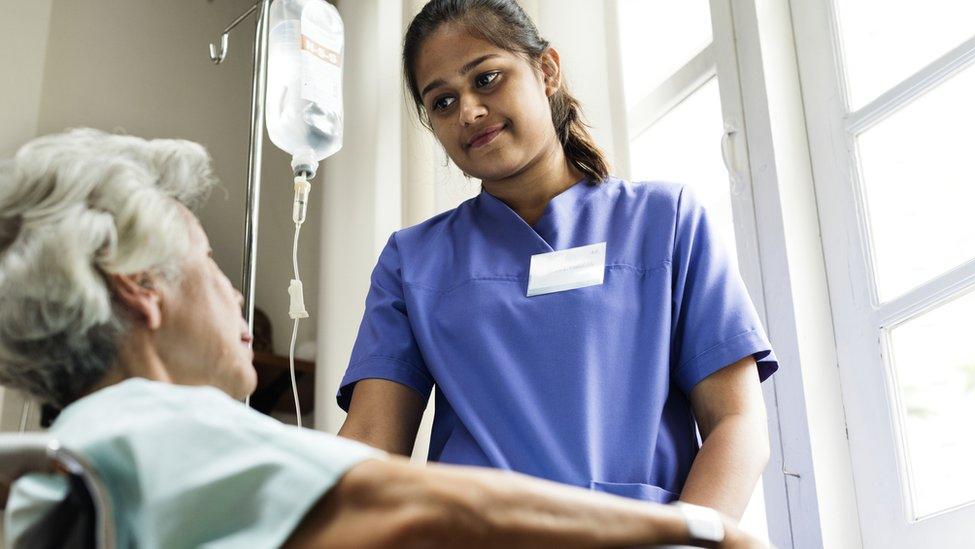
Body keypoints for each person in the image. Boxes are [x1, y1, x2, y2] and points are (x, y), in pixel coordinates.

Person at [0, 129, 766, 547]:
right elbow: (398, 501)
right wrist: (695, 527)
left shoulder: (86, 447)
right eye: (208, 260)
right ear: (138, 285)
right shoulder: (154, 424)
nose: (234, 290)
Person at [338, 0, 778, 521]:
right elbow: (371, 439)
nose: (469, 113)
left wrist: (686, 540)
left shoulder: (666, 222)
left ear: (547, 70)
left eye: (487, 78)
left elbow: (736, 424)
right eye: (443, 102)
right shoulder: (412, 262)